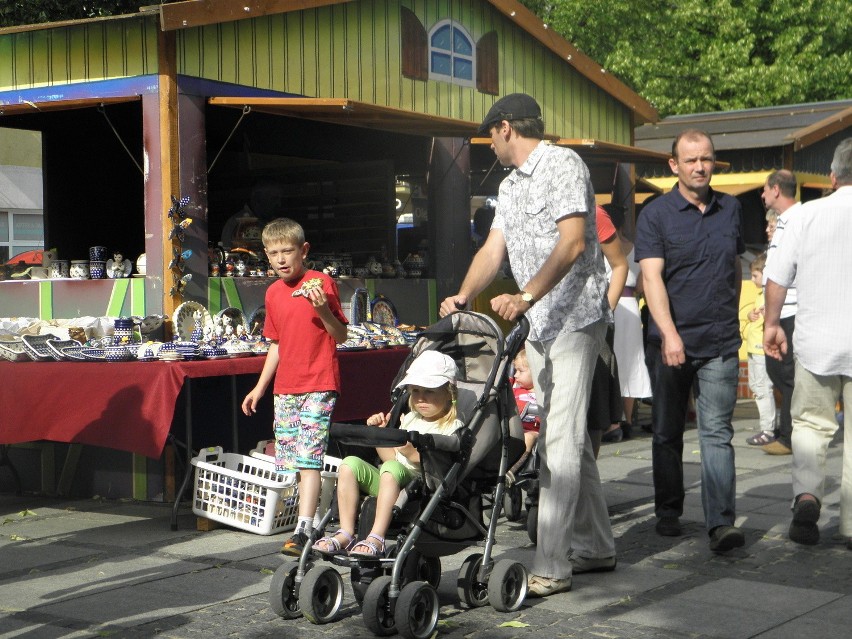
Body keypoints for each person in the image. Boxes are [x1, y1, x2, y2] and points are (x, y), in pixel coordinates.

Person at [440, 93, 616, 597]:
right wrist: (463, 294)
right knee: (569, 439)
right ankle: (598, 546)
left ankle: (553, 564)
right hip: (540, 323)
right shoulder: (509, 185)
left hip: (577, 318)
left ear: (505, 128)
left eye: (489, 134)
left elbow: (574, 242)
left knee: (557, 439)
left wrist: (525, 294)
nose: (488, 143)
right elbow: (493, 249)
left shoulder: (562, 163)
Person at [634, 128, 746, 553]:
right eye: (692, 159)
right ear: (674, 165)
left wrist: (729, 315)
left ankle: (721, 523)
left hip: (719, 340)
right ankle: (668, 511)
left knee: (717, 431)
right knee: (667, 431)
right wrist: (670, 334)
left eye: (707, 159)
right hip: (670, 343)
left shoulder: (731, 209)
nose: (700, 167)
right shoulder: (656, 214)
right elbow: (651, 278)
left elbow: (733, 265)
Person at [241, 217, 349, 556]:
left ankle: (304, 527)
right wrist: (260, 387)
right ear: (266, 256)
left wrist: (323, 310)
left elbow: (341, 335)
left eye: (287, 251)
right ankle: (306, 518)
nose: (281, 259)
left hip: (319, 381)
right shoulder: (273, 292)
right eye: (274, 254)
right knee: (288, 459)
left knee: (308, 456)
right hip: (285, 387)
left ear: (303, 250)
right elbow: (276, 344)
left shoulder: (321, 283)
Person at [763, 138, 852, 548]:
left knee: (810, 427)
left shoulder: (805, 216)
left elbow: (777, 276)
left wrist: (771, 324)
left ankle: (808, 496)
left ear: (833, 176)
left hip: (816, 340)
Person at [311, 350, 463, 557]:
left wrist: (411, 454)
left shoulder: (452, 426)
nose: (421, 398)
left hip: (422, 486)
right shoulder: (409, 419)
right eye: (415, 391)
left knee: (391, 469)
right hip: (391, 479)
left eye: (429, 391)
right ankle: (346, 531)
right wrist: (382, 435)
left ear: (449, 393)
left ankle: (377, 536)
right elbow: (391, 458)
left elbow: (441, 466)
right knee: (349, 464)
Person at [760, 170, 801, 456]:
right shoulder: (784, 222)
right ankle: (788, 433)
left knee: (786, 374)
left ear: (776, 189)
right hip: (779, 309)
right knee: (779, 372)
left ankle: (790, 436)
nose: (762, 196)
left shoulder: (799, 220)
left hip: (792, 309)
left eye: (764, 189)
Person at [592, 205, 628, 450]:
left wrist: (607, 310)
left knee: (595, 408)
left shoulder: (593, 212)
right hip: (547, 324)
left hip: (593, 320)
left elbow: (620, 265)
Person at [741, 253, 776, 445]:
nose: (752, 279)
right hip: (753, 347)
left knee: (763, 388)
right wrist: (750, 314)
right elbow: (754, 316)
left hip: (762, 349)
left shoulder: (770, 294)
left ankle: (768, 429)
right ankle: (768, 424)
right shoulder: (760, 295)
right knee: (756, 387)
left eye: (755, 275)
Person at [507, 348, 540, 480]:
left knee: (529, 437)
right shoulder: (515, 388)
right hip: (515, 427)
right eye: (515, 371)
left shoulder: (540, 394)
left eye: (520, 371)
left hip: (535, 430)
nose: (516, 375)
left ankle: (513, 470)